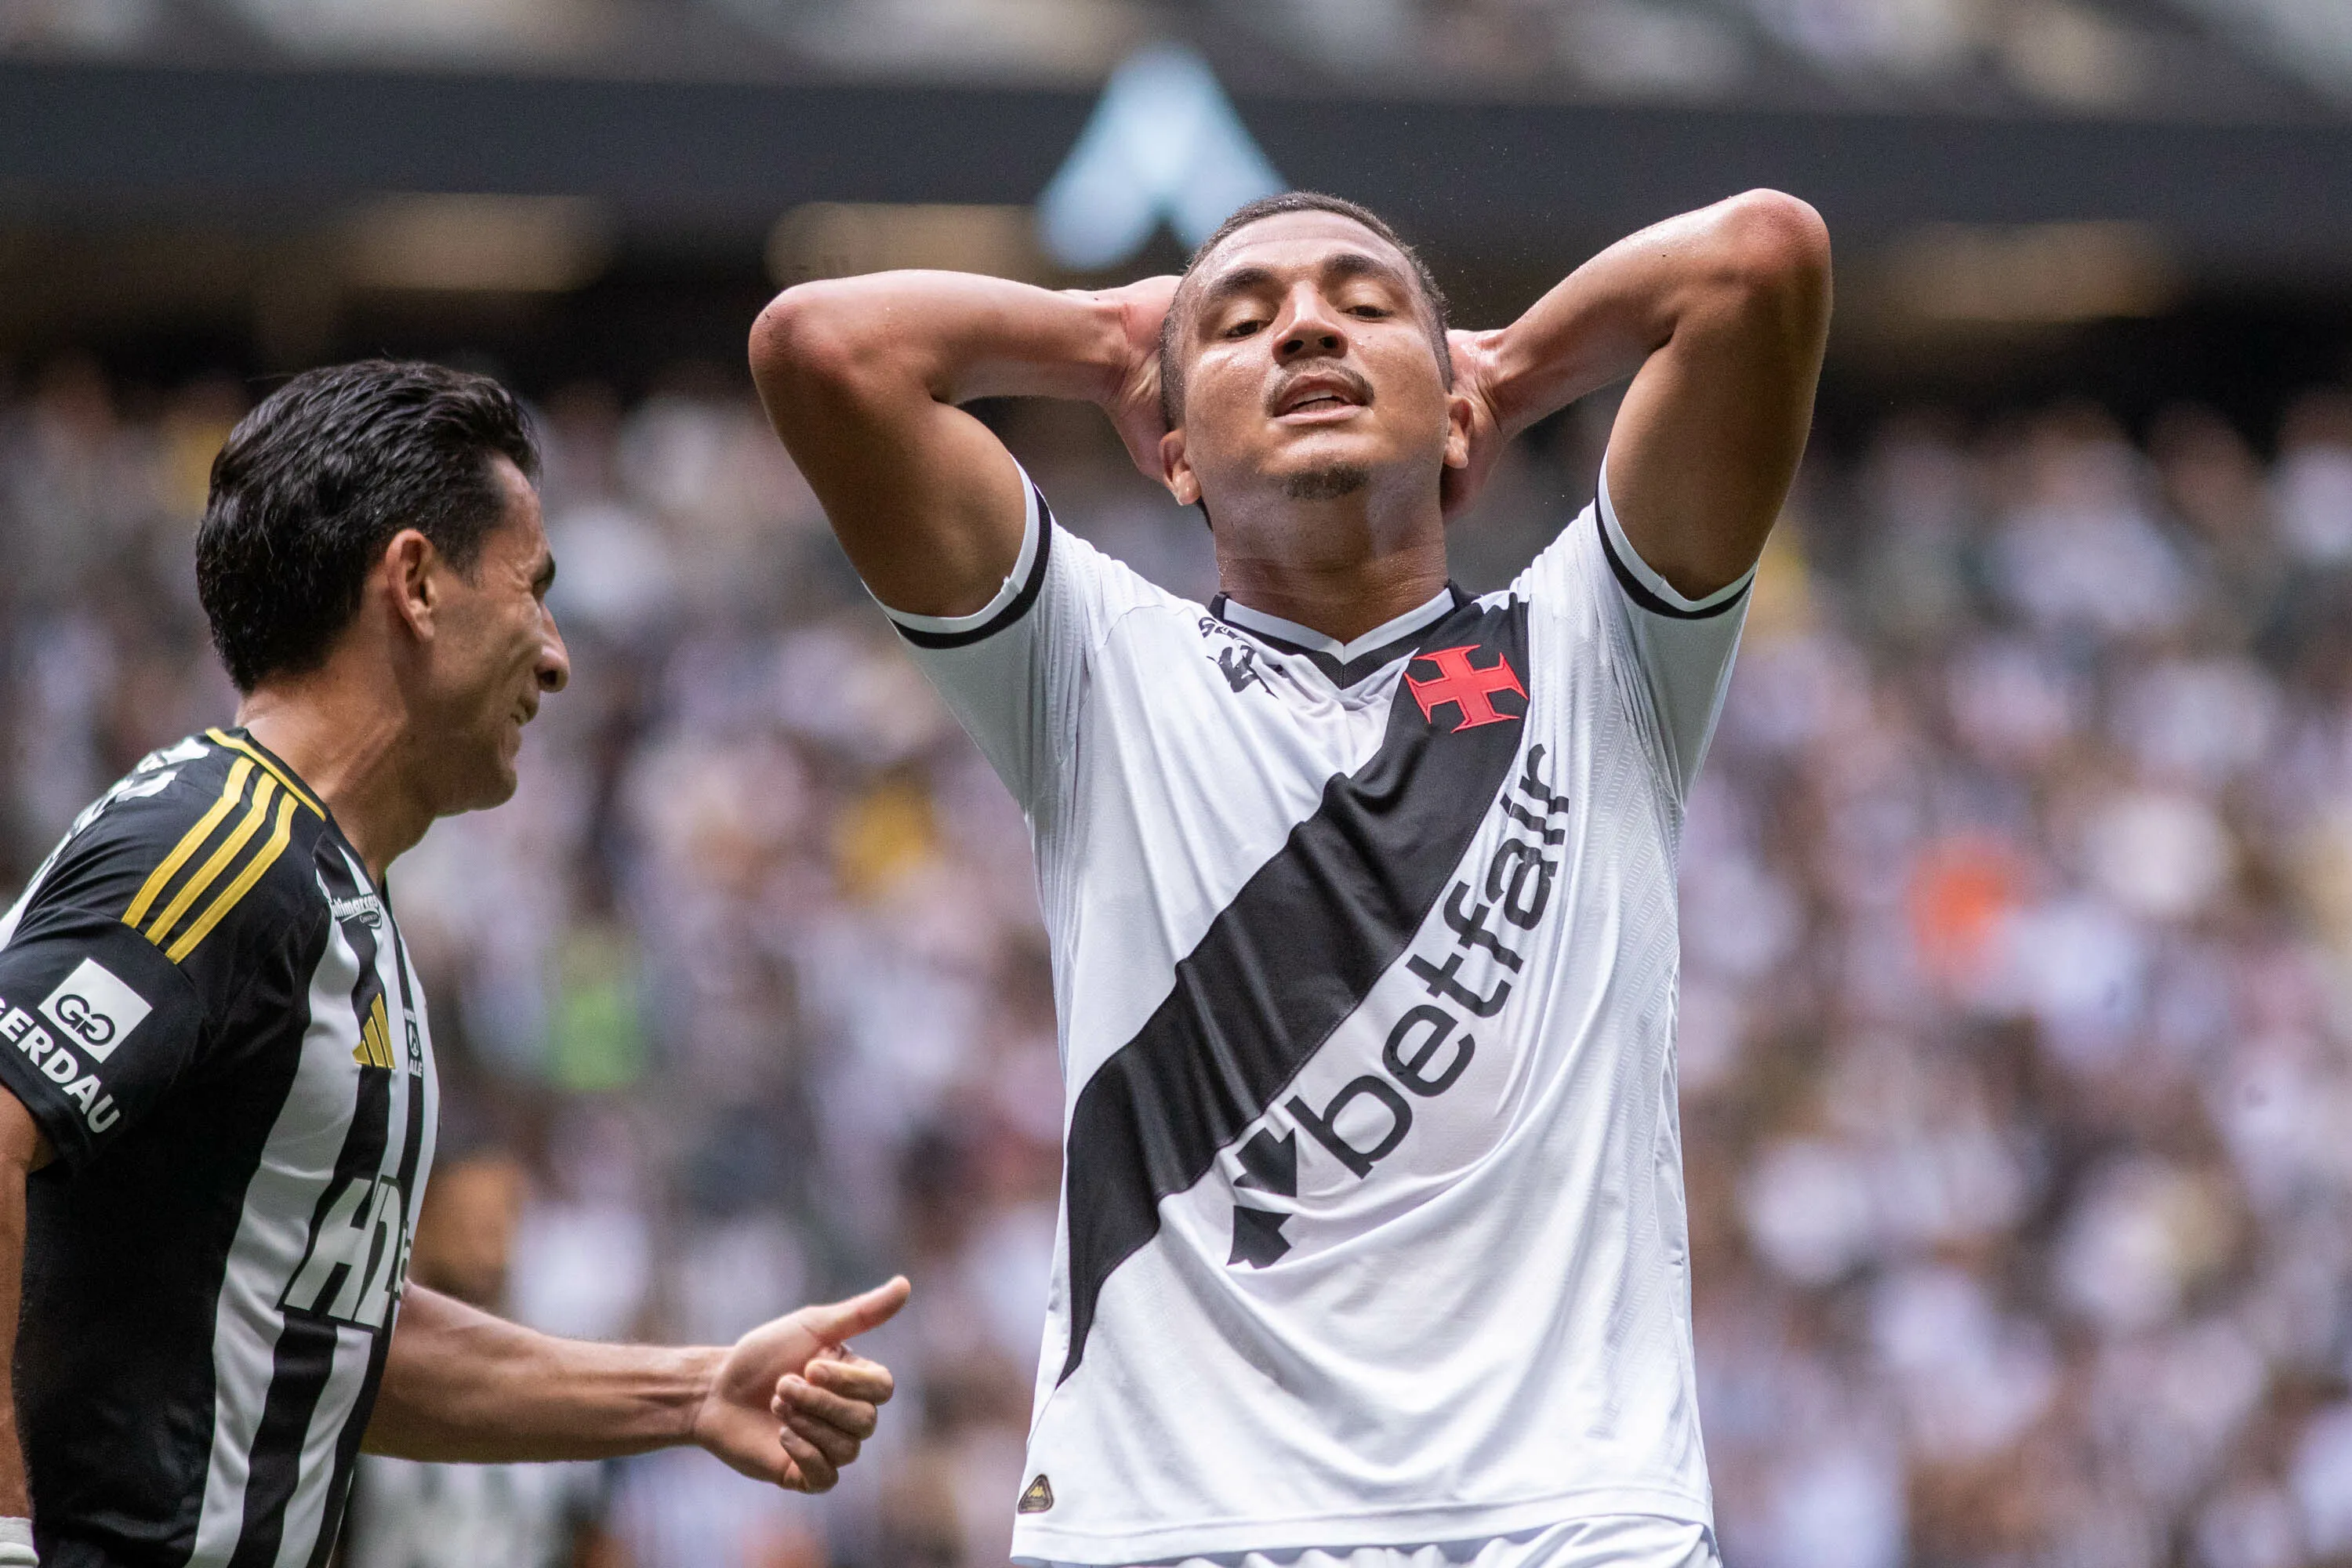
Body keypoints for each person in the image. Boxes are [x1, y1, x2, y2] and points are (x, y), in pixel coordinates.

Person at [749, 187, 1830, 1568]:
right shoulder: (1092, 673)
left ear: (1450, 410)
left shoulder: (1597, 652)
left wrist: (1498, 369)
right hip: (1171, 1526)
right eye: (1245, 325)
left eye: (1367, 307)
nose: (1309, 325)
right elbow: (823, 348)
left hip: (1570, 1522)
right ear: (1174, 447)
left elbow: (1759, 260)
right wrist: (1105, 339)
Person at [0, 361, 908, 1568]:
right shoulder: (217, 844)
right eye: (534, 591)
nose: (557, 656)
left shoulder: (335, 901)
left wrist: (691, 1396)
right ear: (418, 584)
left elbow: (324, 1344)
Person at [341, 1141, 617, 1568]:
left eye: (503, 1221)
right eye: (468, 1221)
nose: (490, 1248)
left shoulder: (559, 1384)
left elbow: (594, 1539)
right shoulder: (362, 1371)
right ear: (423, 1218)